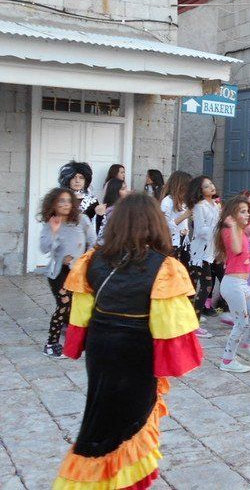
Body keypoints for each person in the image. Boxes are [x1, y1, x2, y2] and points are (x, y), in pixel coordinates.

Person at [53, 193, 202, 489]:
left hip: (101, 346)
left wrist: (77, 344)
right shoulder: (163, 267)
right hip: (135, 351)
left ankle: (96, 475)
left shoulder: (92, 259)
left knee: (101, 410)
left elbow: (81, 313)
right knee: (131, 418)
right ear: (154, 224)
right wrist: (171, 360)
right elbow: (167, 325)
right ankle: (114, 481)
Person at [38, 188, 96, 359]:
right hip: (58, 272)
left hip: (78, 271)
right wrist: (54, 232)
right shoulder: (51, 223)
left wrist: (84, 259)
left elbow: (93, 242)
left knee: (79, 306)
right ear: (53, 204)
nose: (65, 204)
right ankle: (51, 343)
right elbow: (44, 248)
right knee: (64, 304)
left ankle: (78, 341)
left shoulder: (82, 220)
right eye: (60, 201)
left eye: (68, 201)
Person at [214, 195, 250, 372]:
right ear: (232, 214)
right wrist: (234, 225)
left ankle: (245, 345)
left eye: (248, 211)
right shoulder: (229, 229)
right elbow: (235, 249)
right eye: (242, 212)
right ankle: (227, 361)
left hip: (241, 284)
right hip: (232, 283)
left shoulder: (239, 231)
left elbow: (239, 253)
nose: (247, 214)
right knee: (241, 323)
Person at [186, 176, 222, 322]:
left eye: (211, 184)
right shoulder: (199, 206)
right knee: (204, 284)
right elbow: (200, 229)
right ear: (200, 191)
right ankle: (194, 318)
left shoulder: (215, 204)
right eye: (207, 186)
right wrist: (217, 228)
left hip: (212, 249)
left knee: (209, 281)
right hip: (200, 251)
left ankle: (193, 315)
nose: (211, 187)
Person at [160, 170, 192, 264]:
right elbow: (163, 226)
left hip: (183, 243)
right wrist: (185, 215)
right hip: (172, 245)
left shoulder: (183, 202)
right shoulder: (167, 201)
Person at [97, 178, 129, 243]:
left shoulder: (124, 207)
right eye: (123, 189)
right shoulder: (112, 211)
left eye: (126, 188)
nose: (127, 191)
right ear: (115, 192)